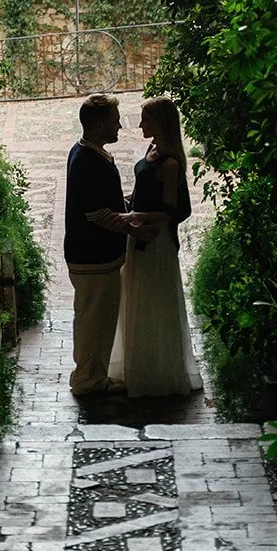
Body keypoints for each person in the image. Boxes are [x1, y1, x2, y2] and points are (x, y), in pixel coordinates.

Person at [91, 95, 202, 399]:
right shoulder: (152, 150)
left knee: (154, 301)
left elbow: (169, 211)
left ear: (159, 123)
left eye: (145, 119)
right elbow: (144, 192)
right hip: (138, 234)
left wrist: (132, 216)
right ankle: (136, 364)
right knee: (136, 297)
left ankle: (156, 372)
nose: (139, 124)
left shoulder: (169, 162)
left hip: (155, 241)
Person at [64, 93, 157, 396]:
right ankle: (88, 380)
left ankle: (91, 374)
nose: (119, 126)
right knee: (94, 322)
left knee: (95, 320)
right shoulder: (88, 161)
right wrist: (134, 229)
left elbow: (103, 203)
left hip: (92, 255)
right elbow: (98, 214)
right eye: (114, 121)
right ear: (98, 125)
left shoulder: (87, 153)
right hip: (92, 257)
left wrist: (129, 203)